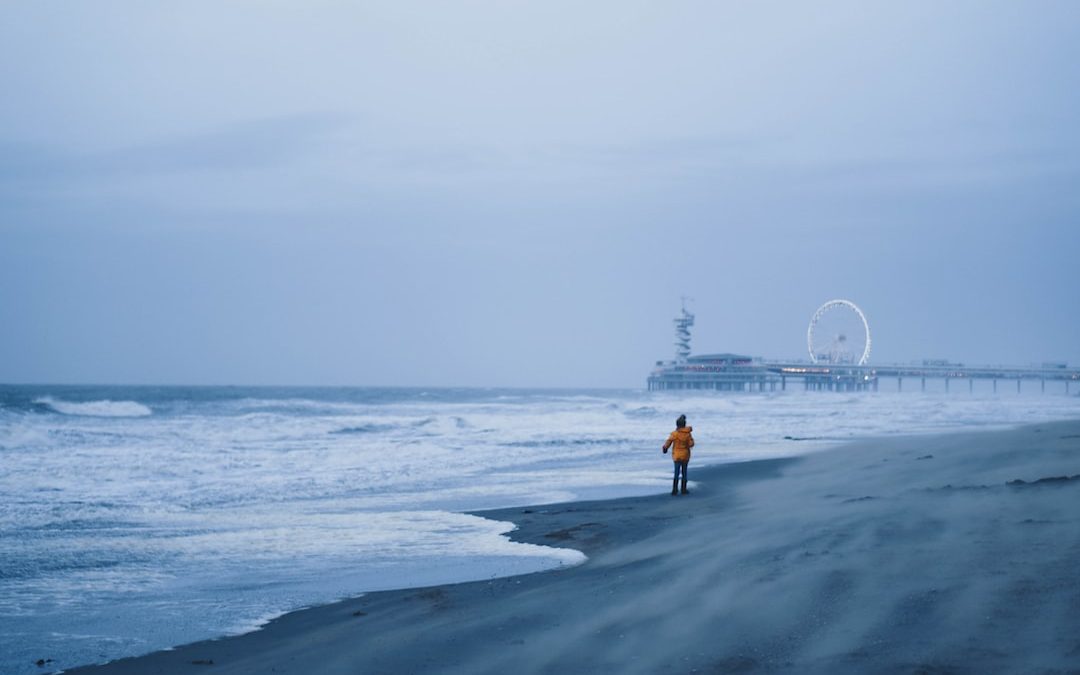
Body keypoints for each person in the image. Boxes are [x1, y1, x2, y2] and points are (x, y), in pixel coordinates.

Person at [662, 414, 694, 495]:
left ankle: (675, 490)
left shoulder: (674, 434)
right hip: (685, 456)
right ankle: (683, 489)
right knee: (684, 472)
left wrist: (665, 448)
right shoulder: (688, 434)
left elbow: (668, 442)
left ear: (677, 425)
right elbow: (691, 444)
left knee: (676, 473)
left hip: (677, 456)